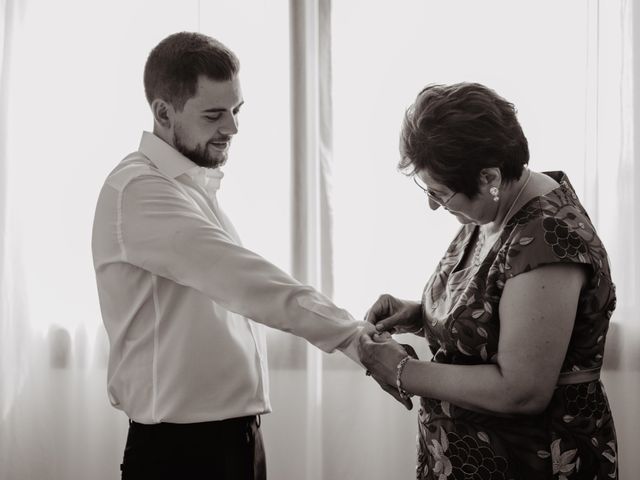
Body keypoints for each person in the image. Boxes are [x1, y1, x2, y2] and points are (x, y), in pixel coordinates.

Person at [91, 31, 396, 480]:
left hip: (233, 440)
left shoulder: (188, 185)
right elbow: (242, 279)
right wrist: (354, 339)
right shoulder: (140, 189)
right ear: (162, 112)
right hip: (181, 452)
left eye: (236, 111)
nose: (232, 128)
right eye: (215, 114)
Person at [358, 83, 618, 479]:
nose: (433, 204)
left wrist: (401, 371)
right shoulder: (495, 209)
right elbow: (497, 316)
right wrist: (420, 315)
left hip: (530, 459)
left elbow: (521, 390)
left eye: (440, 193)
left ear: (489, 177)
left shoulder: (547, 238)